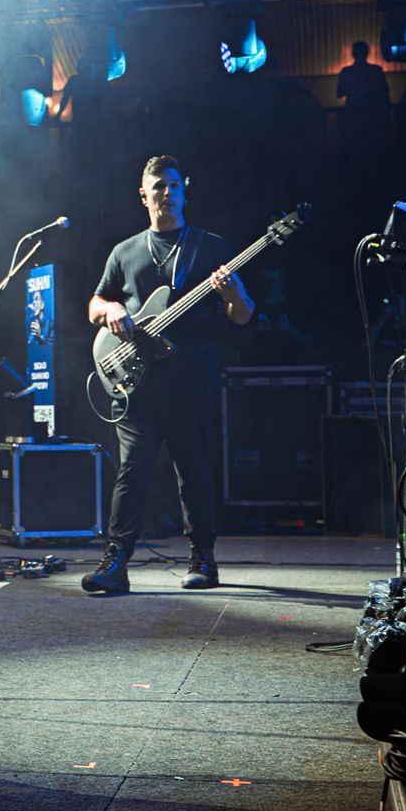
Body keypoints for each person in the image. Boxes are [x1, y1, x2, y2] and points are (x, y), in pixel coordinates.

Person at [84, 155, 254, 595]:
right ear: (143, 195)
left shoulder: (211, 247)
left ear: (184, 191)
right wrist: (112, 309)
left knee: (194, 472)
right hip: (137, 385)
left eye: (174, 185)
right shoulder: (125, 252)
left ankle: (203, 559)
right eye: (158, 186)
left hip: (191, 383)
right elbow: (94, 305)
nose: (167, 193)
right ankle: (115, 563)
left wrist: (234, 293)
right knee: (132, 472)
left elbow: (242, 316)